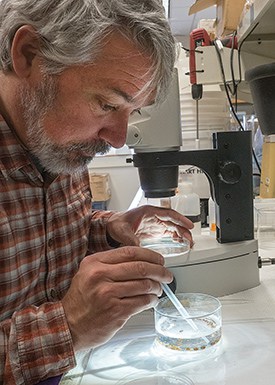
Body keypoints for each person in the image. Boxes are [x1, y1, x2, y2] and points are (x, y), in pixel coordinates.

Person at [0, 1, 194, 384]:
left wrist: (108, 229)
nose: (118, 138)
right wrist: (68, 326)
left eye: (131, 111)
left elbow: (44, 232)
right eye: (106, 103)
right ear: (29, 53)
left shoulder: (60, 140)